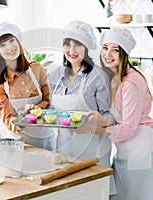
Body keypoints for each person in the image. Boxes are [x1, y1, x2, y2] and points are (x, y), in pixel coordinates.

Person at [77, 27, 153, 200]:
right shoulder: (115, 77)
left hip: (140, 151)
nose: (108, 54)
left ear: (124, 53)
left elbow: (129, 127)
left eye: (115, 50)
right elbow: (118, 117)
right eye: (105, 48)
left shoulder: (130, 82)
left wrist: (92, 129)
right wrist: (99, 119)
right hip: (126, 151)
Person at [48, 20, 116, 195]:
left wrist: (93, 123)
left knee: (91, 194)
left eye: (77, 44)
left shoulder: (97, 76)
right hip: (64, 148)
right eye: (67, 44)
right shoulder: (56, 74)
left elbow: (110, 117)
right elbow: (49, 109)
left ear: (86, 47)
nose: (71, 50)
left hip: (93, 151)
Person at [0, 22, 55, 150]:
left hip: (45, 137)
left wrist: (37, 108)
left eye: (12, 40)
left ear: (18, 41)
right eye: (3, 45)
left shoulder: (37, 69)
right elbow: (6, 116)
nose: (10, 47)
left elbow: (48, 99)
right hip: (19, 139)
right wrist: (20, 123)